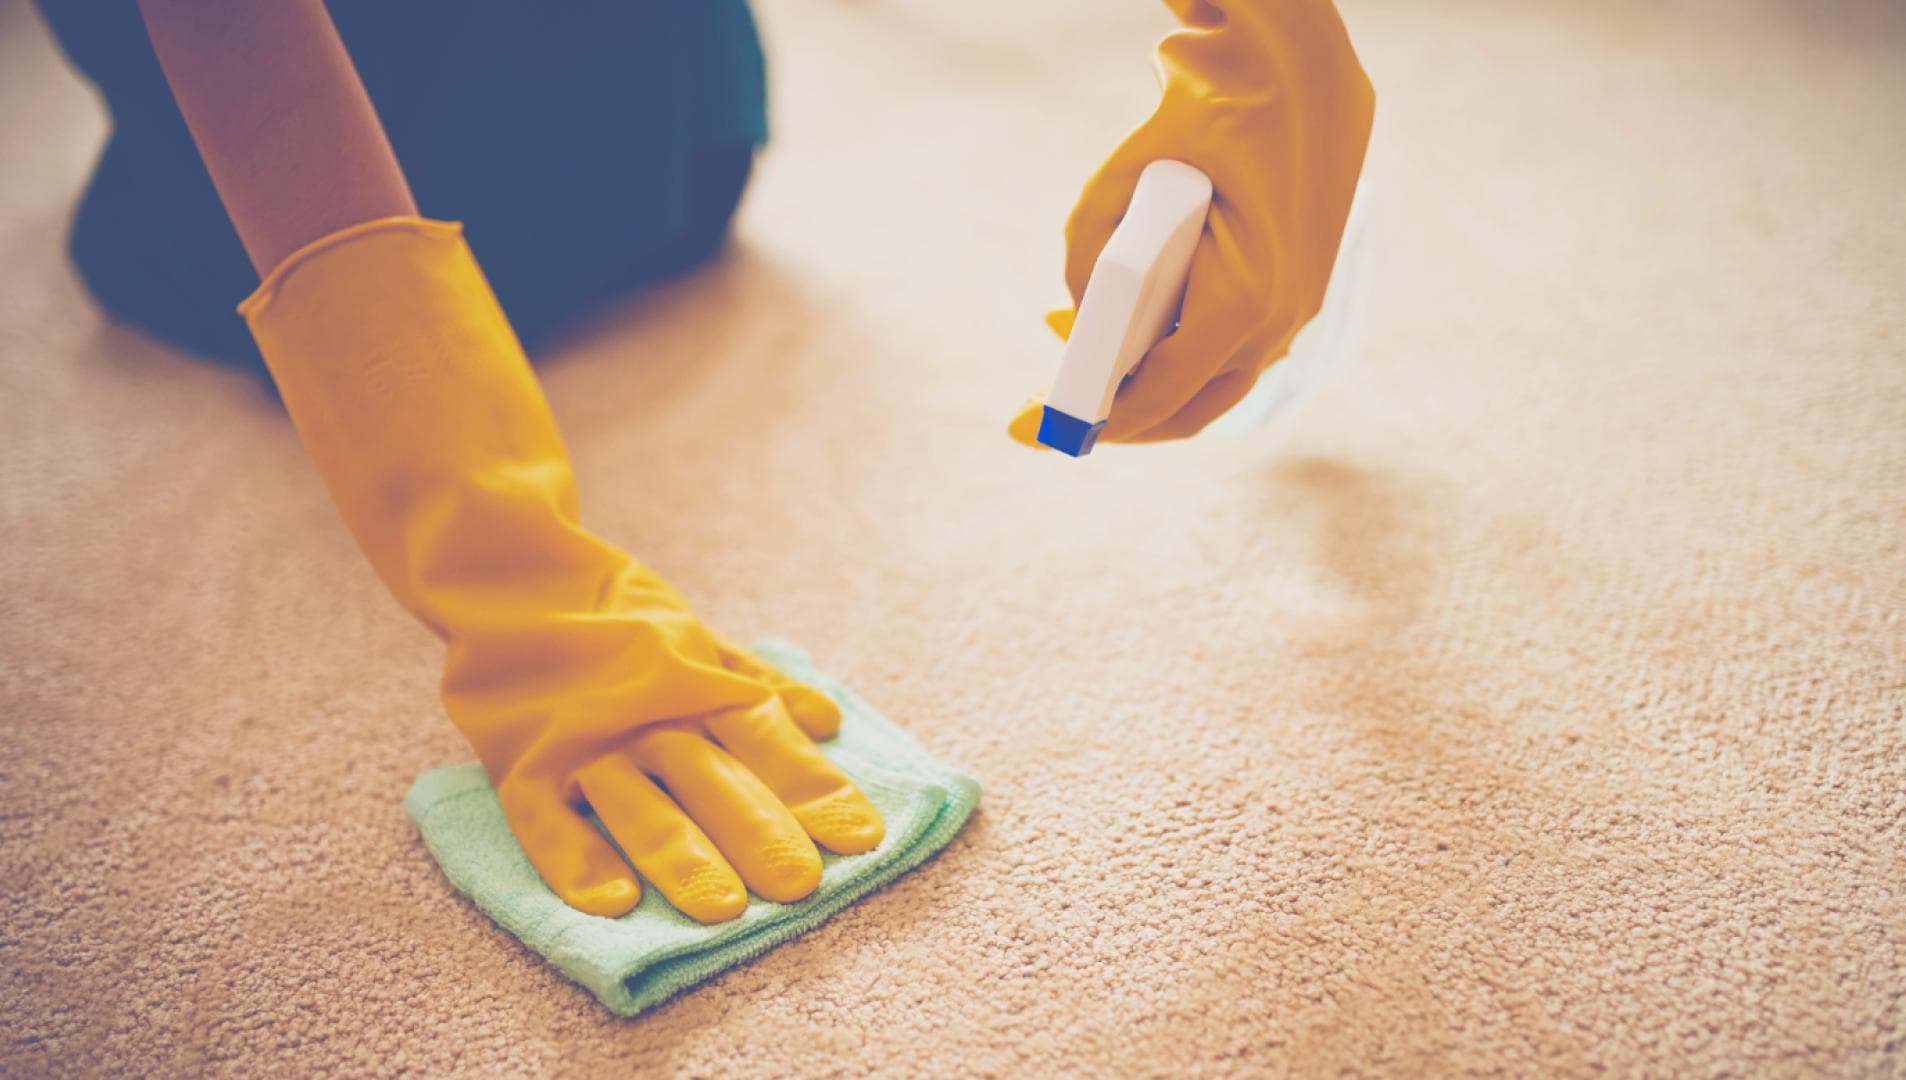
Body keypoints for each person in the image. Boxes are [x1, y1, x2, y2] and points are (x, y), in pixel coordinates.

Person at [45, 0, 1374, 923]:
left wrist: (1262, 43)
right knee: (218, 238)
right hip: (272, 87)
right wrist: (496, 556)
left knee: (657, 159)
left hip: (658, 121)